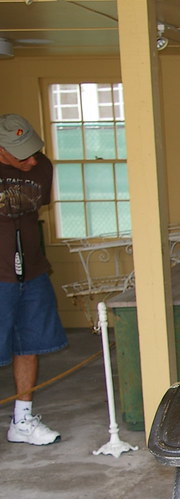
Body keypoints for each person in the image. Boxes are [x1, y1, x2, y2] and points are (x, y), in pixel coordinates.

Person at [0, 113, 66, 446]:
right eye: (22, 155)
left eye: (33, 151)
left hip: (33, 272)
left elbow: (30, 212)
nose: (32, 161)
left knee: (29, 345)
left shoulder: (41, 168)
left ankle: (22, 421)